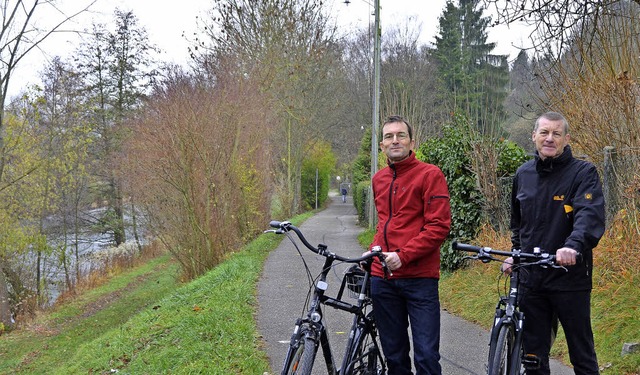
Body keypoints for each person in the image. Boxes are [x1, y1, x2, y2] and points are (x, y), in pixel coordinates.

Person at [504, 111, 605, 374]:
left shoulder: (583, 173)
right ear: (534, 136)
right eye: (544, 133)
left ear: (566, 138)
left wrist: (573, 245)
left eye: (556, 134)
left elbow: (588, 214)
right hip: (531, 279)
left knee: (581, 354)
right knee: (533, 357)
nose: (549, 139)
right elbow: (518, 224)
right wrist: (516, 253)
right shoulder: (523, 174)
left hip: (568, 278)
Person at [366, 115, 451, 374]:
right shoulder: (378, 179)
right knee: (395, 358)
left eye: (400, 135)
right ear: (382, 145)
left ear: (411, 141)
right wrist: (372, 251)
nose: (395, 141)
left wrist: (404, 255)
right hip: (383, 279)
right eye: (389, 136)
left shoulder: (430, 175)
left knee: (426, 357)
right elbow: (384, 225)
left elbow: (439, 226)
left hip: (419, 279)